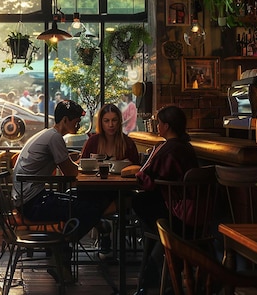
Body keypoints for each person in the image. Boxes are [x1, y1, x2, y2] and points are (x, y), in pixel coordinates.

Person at [11, 100, 111, 279]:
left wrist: (73, 160)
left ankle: (64, 252)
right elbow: (70, 173)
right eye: (75, 121)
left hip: (28, 199)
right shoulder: (55, 137)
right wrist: (83, 164)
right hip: (33, 203)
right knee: (90, 208)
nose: (77, 125)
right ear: (65, 120)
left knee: (79, 202)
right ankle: (63, 246)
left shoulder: (48, 134)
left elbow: (65, 165)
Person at [131, 105, 199, 294]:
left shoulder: (168, 149)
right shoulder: (186, 146)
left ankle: (165, 245)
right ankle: (162, 246)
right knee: (155, 228)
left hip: (180, 216)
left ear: (166, 126)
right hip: (196, 212)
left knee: (138, 201)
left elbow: (146, 180)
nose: (157, 127)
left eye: (159, 123)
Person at [80, 103, 140, 259]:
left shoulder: (127, 143)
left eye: (114, 120)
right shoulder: (93, 141)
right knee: (82, 196)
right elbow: (83, 164)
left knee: (91, 206)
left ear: (119, 121)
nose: (111, 125)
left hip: (119, 190)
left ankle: (102, 228)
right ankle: (102, 227)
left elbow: (137, 169)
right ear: (101, 122)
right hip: (96, 188)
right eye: (106, 121)